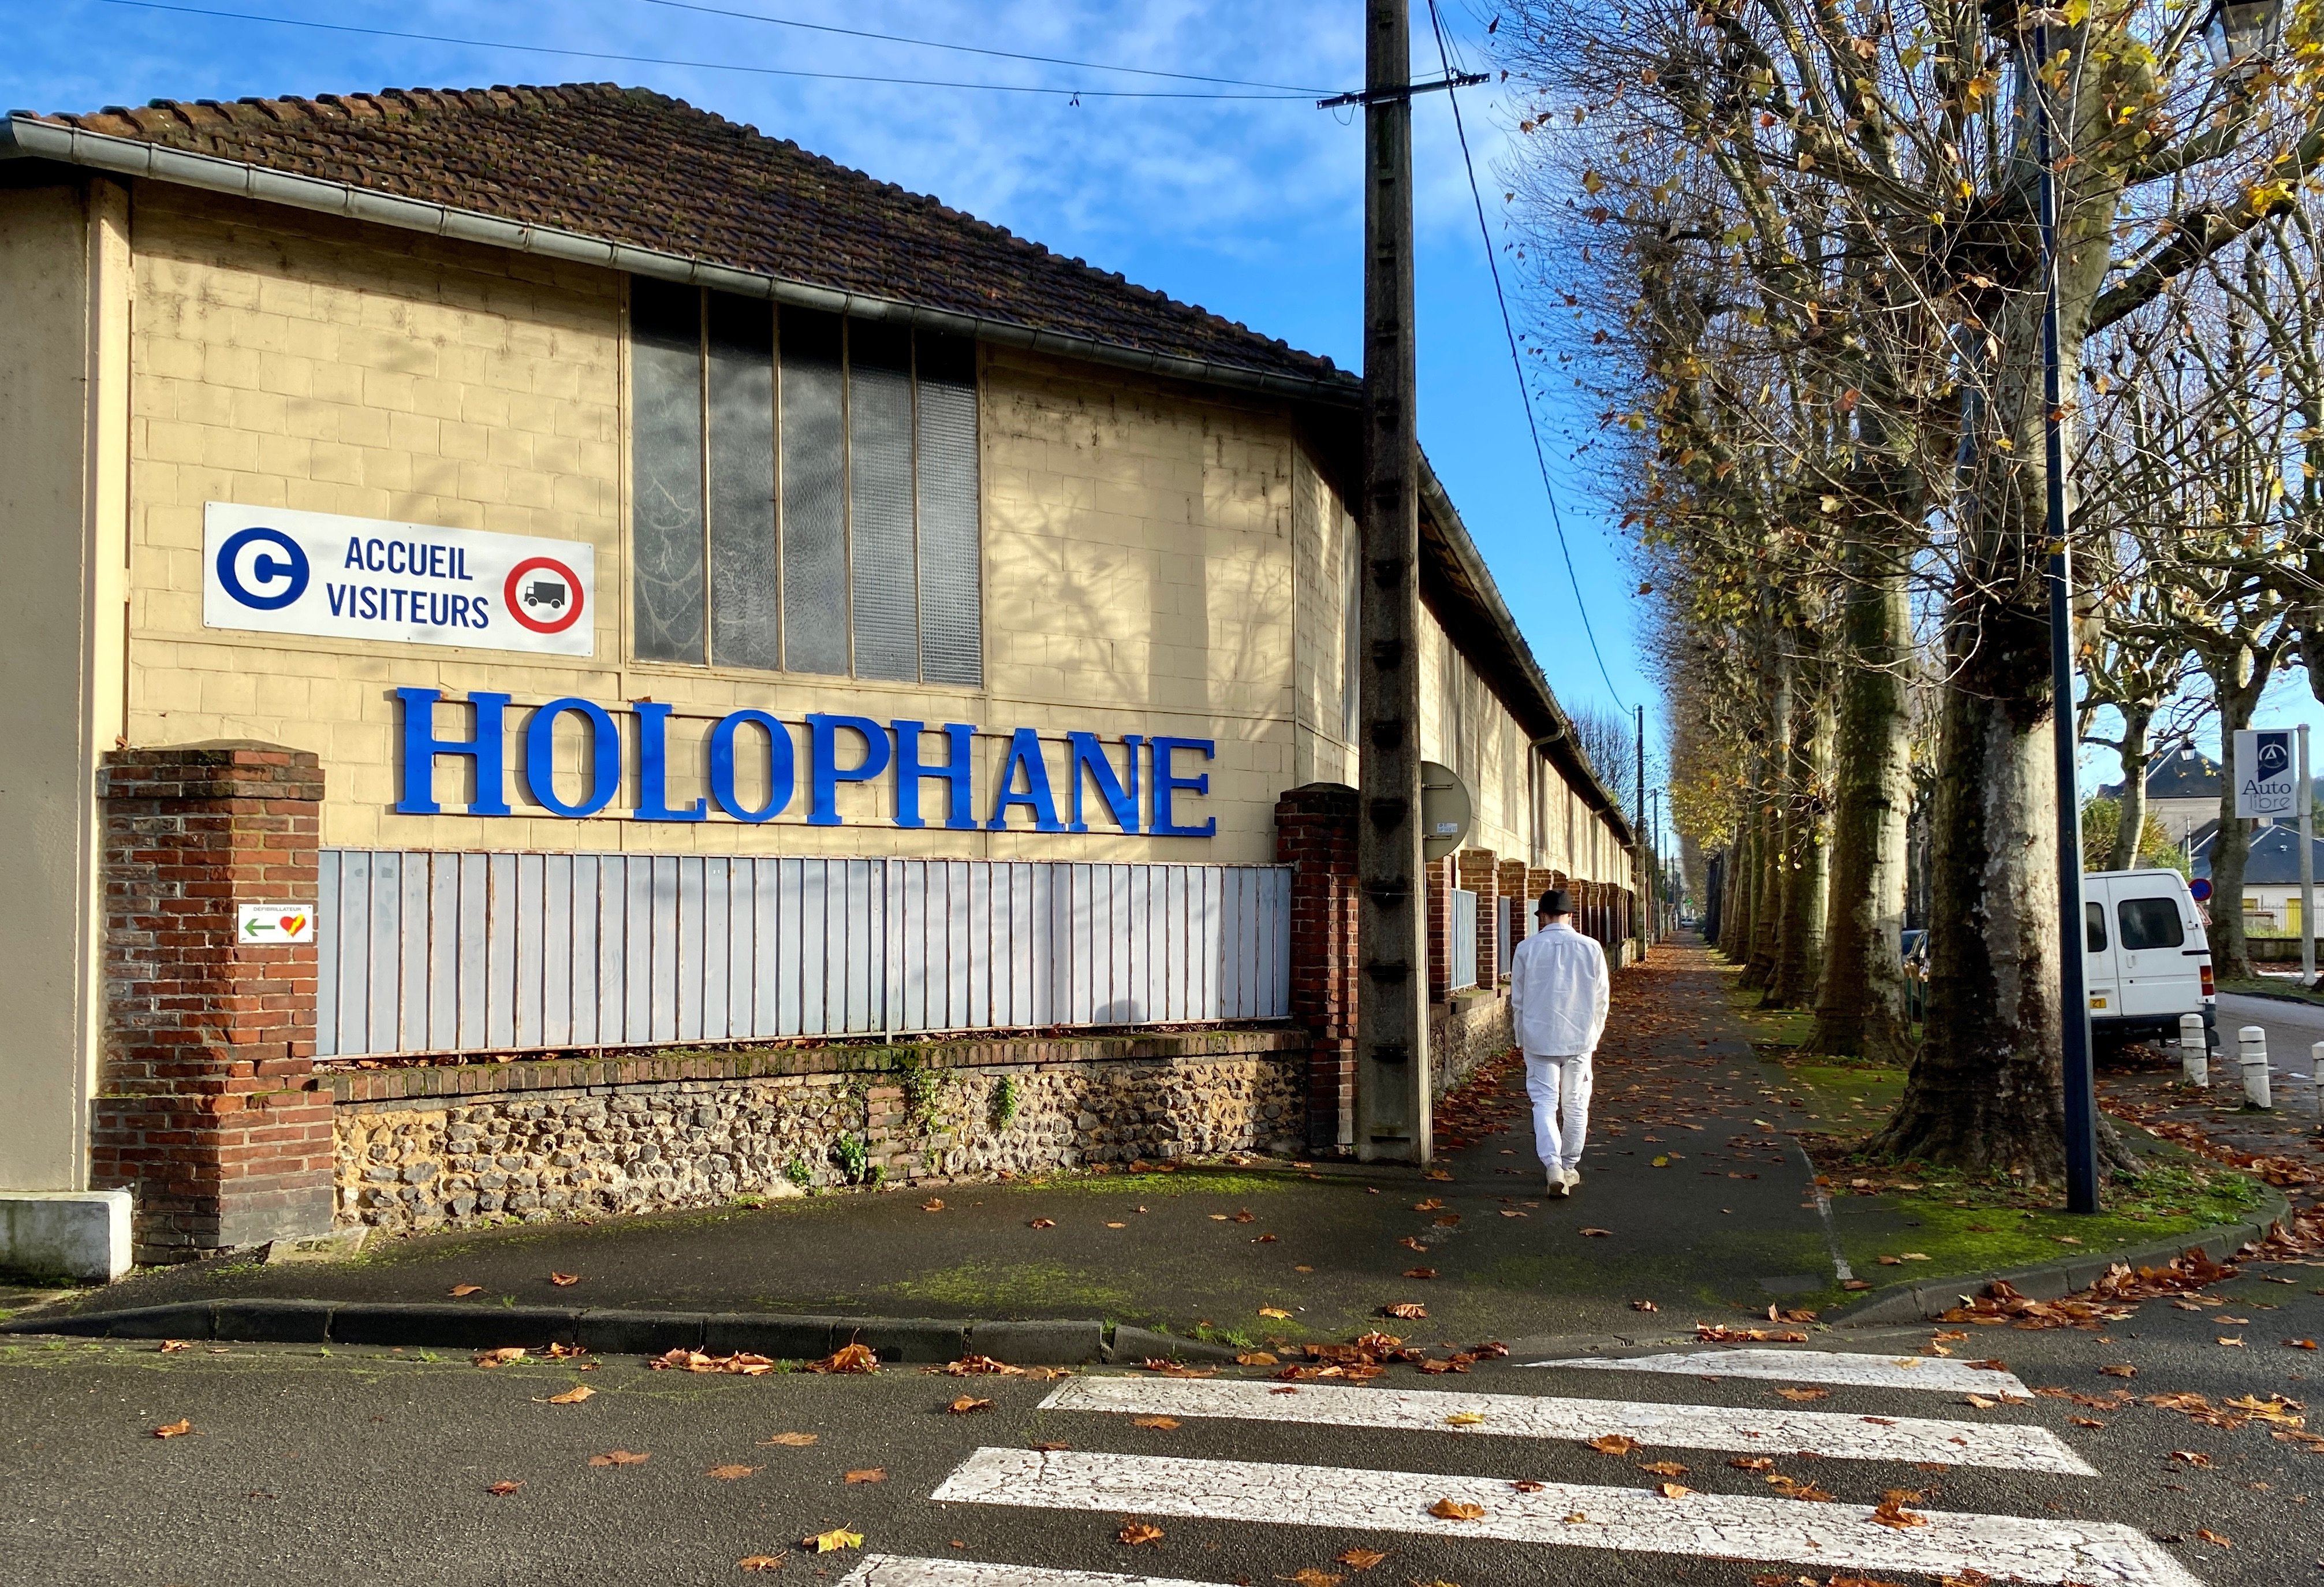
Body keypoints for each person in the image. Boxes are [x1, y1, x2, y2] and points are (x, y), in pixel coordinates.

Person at [1506, 887, 1609, 1197]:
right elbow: (1601, 999)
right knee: (1576, 1104)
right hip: (1579, 1038)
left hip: (1539, 1037)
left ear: (1543, 917)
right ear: (1571, 915)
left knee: (1544, 1103)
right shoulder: (1591, 948)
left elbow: (1518, 1000)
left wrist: (1520, 1036)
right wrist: (1594, 1034)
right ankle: (1569, 1165)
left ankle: (1552, 1164)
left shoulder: (1526, 948)